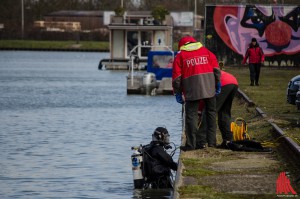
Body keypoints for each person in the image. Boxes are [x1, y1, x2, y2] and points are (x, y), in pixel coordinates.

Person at [172, 36, 221, 151]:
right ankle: (212, 142)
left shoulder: (180, 56)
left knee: (191, 117)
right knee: (211, 114)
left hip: (192, 90)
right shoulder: (207, 52)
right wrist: (218, 83)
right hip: (209, 88)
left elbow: (176, 78)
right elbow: (216, 69)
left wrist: (178, 92)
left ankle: (191, 145)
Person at [197, 71, 239, 149]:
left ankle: (201, 141)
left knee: (209, 112)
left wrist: (199, 112)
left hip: (223, 84)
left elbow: (203, 100)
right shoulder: (204, 72)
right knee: (224, 112)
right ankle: (228, 140)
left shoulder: (199, 80)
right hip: (233, 82)